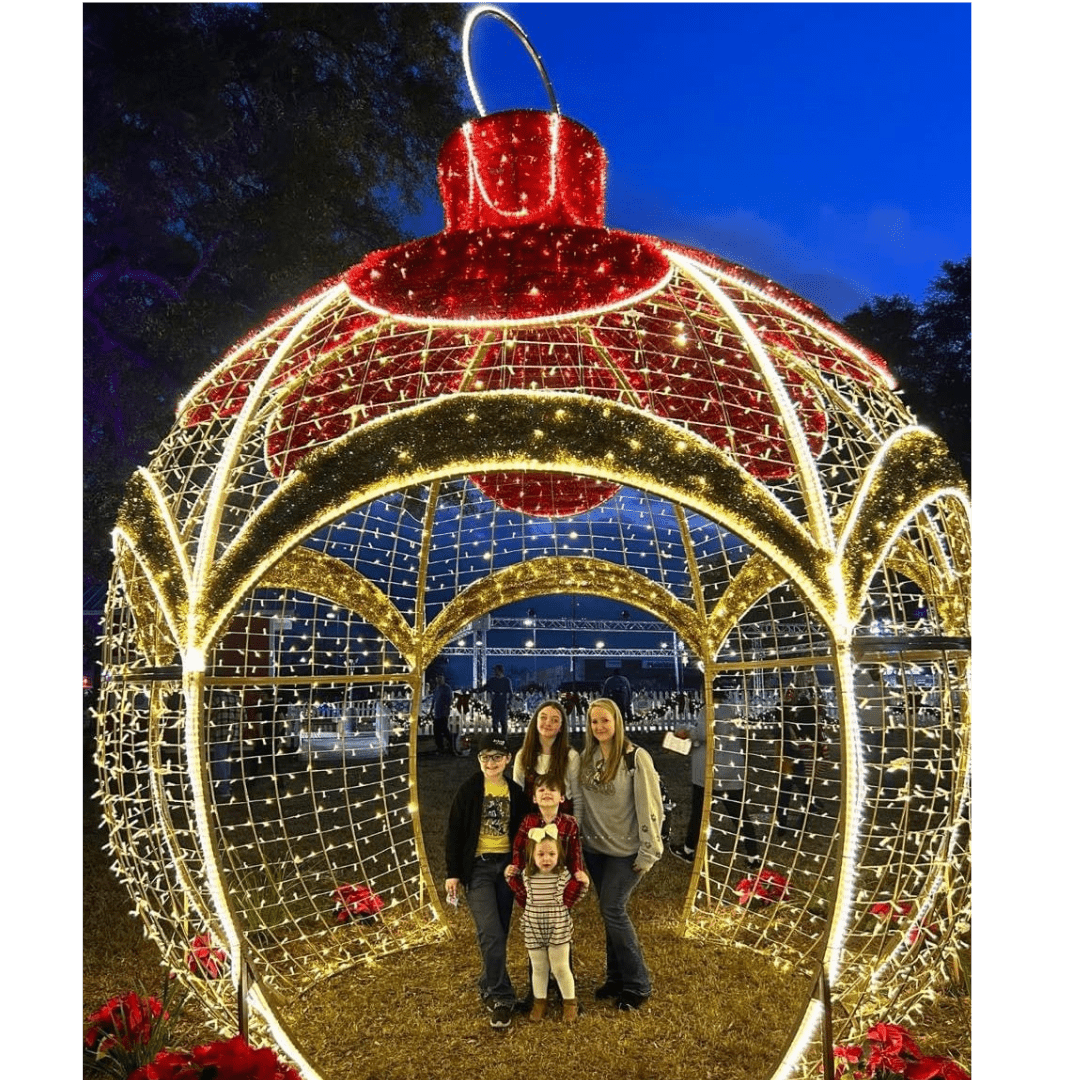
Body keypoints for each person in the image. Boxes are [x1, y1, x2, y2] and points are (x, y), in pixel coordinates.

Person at [577, 697, 664, 1011]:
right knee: (607, 911)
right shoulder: (586, 759)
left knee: (613, 909)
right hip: (596, 851)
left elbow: (650, 807)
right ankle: (615, 978)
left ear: (617, 722)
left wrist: (648, 852)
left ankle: (637, 984)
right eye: (594, 722)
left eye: (605, 720)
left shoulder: (635, 758)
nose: (600, 727)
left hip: (626, 853)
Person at [444, 733, 529, 1029]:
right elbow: (454, 833)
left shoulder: (516, 794)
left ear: (507, 759)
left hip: (506, 868)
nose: (490, 763)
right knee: (490, 932)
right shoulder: (469, 791)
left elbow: (522, 832)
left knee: (498, 933)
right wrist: (453, 873)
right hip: (478, 869)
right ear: (479, 760)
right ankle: (501, 996)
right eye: (485, 757)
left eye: (496, 757)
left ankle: (487, 983)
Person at [670, 691, 760, 867]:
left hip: (710, 772)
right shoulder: (730, 709)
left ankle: (688, 850)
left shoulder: (709, 709)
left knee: (699, 814)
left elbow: (703, 733)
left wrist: (686, 732)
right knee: (740, 815)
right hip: (732, 770)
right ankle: (753, 855)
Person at [507, 826, 586, 1024]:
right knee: (539, 967)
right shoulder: (527, 876)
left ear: (559, 854)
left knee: (560, 967)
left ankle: (570, 1003)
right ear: (532, 855)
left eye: (551, 854)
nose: (546, 859)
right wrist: (509, 876)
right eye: (541, 854)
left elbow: (573, 898)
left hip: (557, 926)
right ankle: (539, 1002)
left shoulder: (563, 876)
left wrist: (583, 883)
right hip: (534, 927)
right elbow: (521, 896)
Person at [512, 699, 582, 813]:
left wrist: (575, 827)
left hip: (563, 826)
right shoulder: (523, 756)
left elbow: (577, 798)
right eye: (543, 717)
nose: (548, 723)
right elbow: (517, 797)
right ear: (535, 722)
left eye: (555, 720)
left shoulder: (571, 757)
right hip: (531, 826)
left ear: (561, 727)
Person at [477, 664, 514, 737]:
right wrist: (474, 691)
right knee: (495, 724)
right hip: (495, 705)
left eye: (496, 670)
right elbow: (483, 689)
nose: (494, 672)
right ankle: (497, 740)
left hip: (503, 705)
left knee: (504, 724)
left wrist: (509, 702)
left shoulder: (506, 680)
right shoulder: (492, 680)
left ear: (500, 671)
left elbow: (510, 692)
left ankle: (504, 740)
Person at [431, 674, 453, 754]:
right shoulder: (437, 689)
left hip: (443, 712)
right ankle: (440, 746)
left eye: (440, 678)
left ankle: (451, 743)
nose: (438, 680)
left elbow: (449, 700)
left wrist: (446, 710)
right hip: (437, 713)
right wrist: (431, 709)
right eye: (437, 678)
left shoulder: (447, 688)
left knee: (444, 729)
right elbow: (434, 700)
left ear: (443, 679)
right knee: (436, 731)